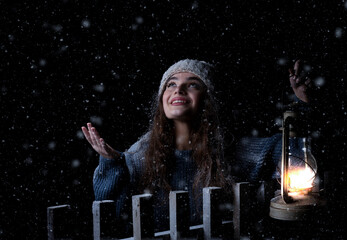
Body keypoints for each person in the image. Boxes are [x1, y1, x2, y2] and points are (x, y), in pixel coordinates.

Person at [81, 59, 313, 235]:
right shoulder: (137, 156)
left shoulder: (236, 150)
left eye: (192, 84)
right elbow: (108, 219)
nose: (178, 90)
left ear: (209, 99)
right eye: (171, 84)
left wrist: (302, 103)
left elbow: (294, 155)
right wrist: (111, 164)